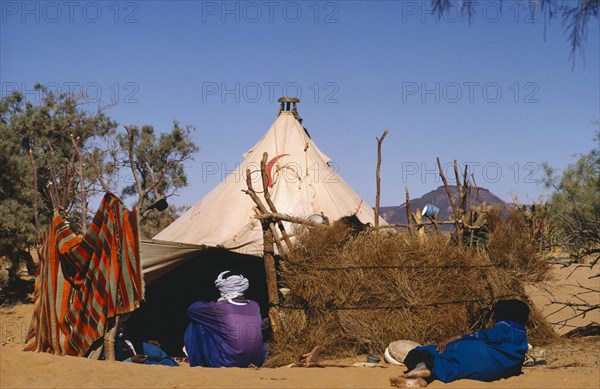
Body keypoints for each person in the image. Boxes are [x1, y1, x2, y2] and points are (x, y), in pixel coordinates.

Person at [390, 299, 530, 388]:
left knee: (428, 352)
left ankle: (421, 367)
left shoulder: (503, 326)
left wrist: (456, 338)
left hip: (479, 356)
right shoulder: (522, 337)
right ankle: (420, 381)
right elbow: (516, 367)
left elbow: (486, 336)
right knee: (450, 365)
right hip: (493, 371)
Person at [183, 271, 266, 367]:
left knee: (197, 324)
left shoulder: (221, 308)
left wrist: (214, 304)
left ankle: (198, 363)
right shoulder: (255, 306)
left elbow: (192, 309)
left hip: (228, 362)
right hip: (254, 360)